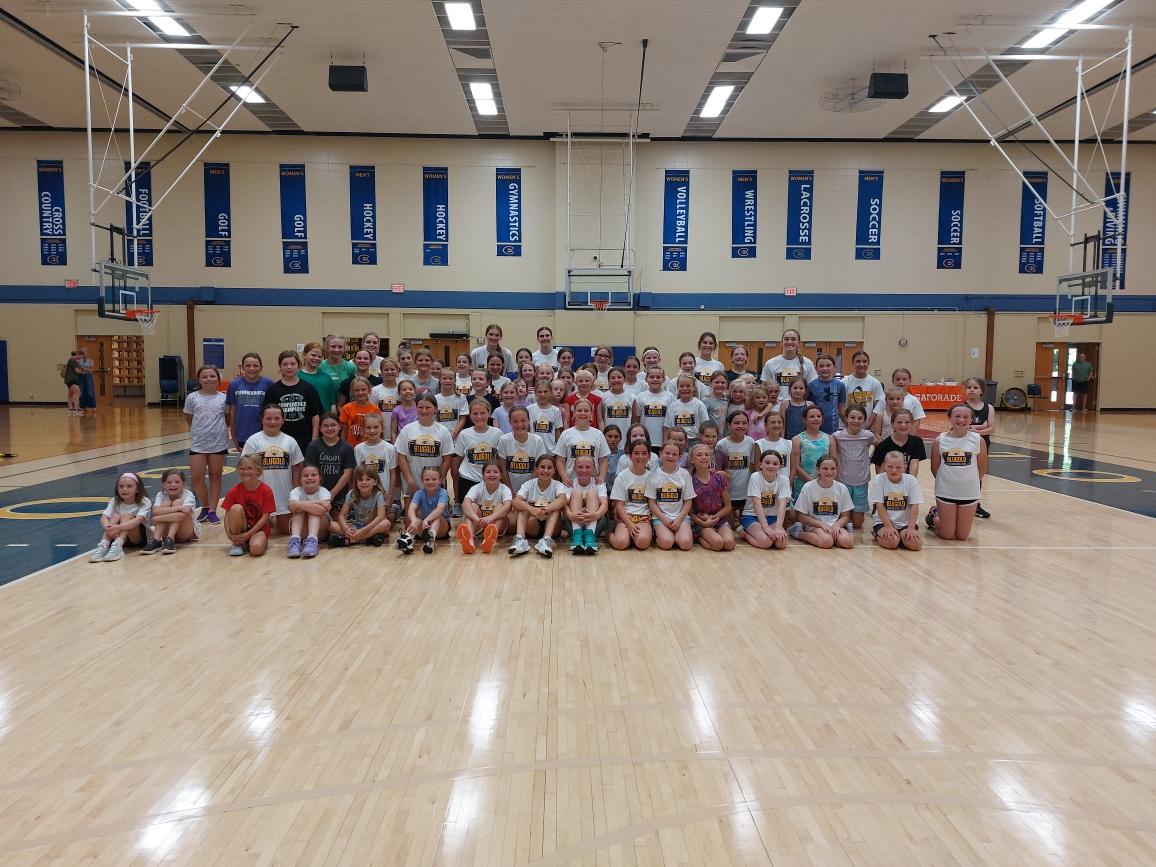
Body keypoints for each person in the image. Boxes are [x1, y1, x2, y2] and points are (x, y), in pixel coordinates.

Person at [241, 404, 304, 535]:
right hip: (259, 497)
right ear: (262, 419)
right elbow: (245, 472)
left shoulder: (290, 441)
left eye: (277, 418)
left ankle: (276, 518)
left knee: (287, 531)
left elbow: (297, 470)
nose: (273, 422)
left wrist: (297, 495)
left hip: (283, 496)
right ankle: (268, 518)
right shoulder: (253, 441)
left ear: (283, 419)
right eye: (268, 418)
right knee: (261, 531)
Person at [928, 403, 987, 541]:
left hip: (969, 492)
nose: (961, 420)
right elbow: (934, 468)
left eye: (965, 417)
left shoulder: (978, 440)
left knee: (962, 536)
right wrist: (948, 481)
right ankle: (934, 516)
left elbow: (982, 469)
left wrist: (967, 482)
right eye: (957, 416)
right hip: (945, 491)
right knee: (947, 535)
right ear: (950, 418)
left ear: (971, 419)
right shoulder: (940, 440)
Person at [184, 365, 229, 524]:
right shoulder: (192, 398)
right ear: (199, 380)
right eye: (205, 376)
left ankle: (212, 510)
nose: (209, 379)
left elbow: (227, 418)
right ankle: (204, 505)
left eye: (212, 376)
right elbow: (189, 419)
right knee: (197, 478)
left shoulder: (224, 398)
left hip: (218, 443)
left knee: (215, 477)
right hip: (198, 443)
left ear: (218, 379)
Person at [395, 394, 454, 503]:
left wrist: (440, 480)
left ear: (435, 409)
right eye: (420, 407)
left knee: (435, 519)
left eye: (428, 407)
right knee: (412, 519)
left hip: (434, 484)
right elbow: (401, 457)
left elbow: (447, 459)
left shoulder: (443, 431)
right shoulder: (407, 430)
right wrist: (410, 480)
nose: (424, 411)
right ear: (416, 408)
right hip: (412, 483)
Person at [262, 350, 323, 455]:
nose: (289, 367)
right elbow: (265, 416)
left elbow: (315, 415)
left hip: (304, 438)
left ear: (299, 365)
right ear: (280, 367)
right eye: (285, 364)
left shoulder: (308, 388)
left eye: (292, 364)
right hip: (280, 438)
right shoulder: (273, 390)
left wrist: (314, 437)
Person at [509, 455, 568, 557]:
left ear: (554, 470)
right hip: (532, 526)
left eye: (549, 468)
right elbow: (516, 502)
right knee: (523, 505)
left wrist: (544, 511)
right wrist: (531, 509)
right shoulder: (528, 484)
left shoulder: (558, 485)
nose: (545, 470)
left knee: (556, 508)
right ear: (536, 469)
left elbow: (562, 500)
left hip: (552, 527)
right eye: (542, 467)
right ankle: (520, 540)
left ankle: (546, 541)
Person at [791, 456, 855, 549]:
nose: (829, 472)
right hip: (815, 525)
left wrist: (837, 525)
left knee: (847, 542)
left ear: (837, 470)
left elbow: (846, 516)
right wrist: (821, 525)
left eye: (833, 468)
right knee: (826, 541)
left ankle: (843, 534)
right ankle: (798, 533)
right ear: (818, 470)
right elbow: (801, 516)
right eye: (825, 468)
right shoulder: (808, 487)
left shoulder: (842, 488)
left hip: (834, 525)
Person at [89, 472, 151, 562]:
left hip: (138, 539)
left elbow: (139, 520)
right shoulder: (115, 501)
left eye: (129, 486)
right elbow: (103, 518)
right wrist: (108, 528)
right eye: (121, 486)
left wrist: (116, 528)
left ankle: (118, 545)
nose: (124, 489)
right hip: (116, 536)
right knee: (114, 516)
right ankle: (104, 545)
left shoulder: (145, 501)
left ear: (137, 489)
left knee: (126, 515)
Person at [869, 451, 924, 551]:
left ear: (904, 467)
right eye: (890, 467)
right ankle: (877, 534)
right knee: (892, 542)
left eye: (898, 467)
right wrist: (888, 526)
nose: (894, 470)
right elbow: (879, 505)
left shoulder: (911, 480)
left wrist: (911, 528)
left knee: (916, 545)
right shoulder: (878, 480)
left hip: (906, 523)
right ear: (884, 466)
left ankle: (901, 536)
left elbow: (914, 506)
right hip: (883, 522)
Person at [455, 399, 504, 511]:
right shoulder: (464, 434)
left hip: (490, 481)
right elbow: (458, 458)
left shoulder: (497, 433)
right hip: (468, 480)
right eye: (475, 413)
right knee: (471, 513)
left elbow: (500, 460)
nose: (479, 416)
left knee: (489, 513)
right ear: (470, 415)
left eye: (482, 413)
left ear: (489, 414)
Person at [646, 439, 695, 551]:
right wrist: (664, 519)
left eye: (674, 454)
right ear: (661, 454)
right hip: (661, 518)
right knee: (667, 543)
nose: (670, 456)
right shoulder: (653, 475)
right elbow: (652, 503)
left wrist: (678, 520)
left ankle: (677, 536)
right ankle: (659, 537)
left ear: (679, 456)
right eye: (667, 453)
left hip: (681, 518)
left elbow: (688, 502)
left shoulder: (685, 474)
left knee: (686, 544)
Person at [832, 406, 876, 529]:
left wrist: (871, 459)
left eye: (860, 418)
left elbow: (879, 445)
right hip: (842, 481)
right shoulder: (837, 436)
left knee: (857, 524)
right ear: (846, 418)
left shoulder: (868, 436)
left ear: (864, 420)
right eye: (852, 417)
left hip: (861, 481)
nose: (856, 421)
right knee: (843, 519)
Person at [221, 455, 273, 557]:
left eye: (249, 468)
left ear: (258, 470)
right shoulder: (234, 491)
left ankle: (251, 542)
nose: (245, 472)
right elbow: (227, 516)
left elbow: (265, 517)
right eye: (242, 468)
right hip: (242, 528)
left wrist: (248, 535)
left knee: (256, 550)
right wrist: (229, 534)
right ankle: (238, 543)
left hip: (259, 529)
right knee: (235, 508)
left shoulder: (266, 490)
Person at [608, 440, 655, 551]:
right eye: (636, 453)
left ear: (649, 456)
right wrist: (630, 524)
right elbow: (619, 505)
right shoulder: (622, 476)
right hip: (625, 516)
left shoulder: (652, 477)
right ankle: (609, 533)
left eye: (644, 453)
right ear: (630, 456)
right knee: (621, 543)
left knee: (642, 543)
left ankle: (633, 536)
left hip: (643, 517)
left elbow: (652, 503)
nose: (640, 456)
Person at [458, 461, 512, 553]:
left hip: (497, 524)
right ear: (483, 475)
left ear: (500, 475)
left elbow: (508, 506)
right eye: (488, 472)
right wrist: (477, 519)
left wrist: (491, 518)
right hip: (480, 524)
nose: (492, 474)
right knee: (472, 506)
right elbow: (465, 504)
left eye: (495, 472)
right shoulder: (477, 488)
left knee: (501, 506)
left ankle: (489, 540)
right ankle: (469, 540)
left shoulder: (504, 489)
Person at [688, 443, 735, 551]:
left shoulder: (719, 478)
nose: (704, 457)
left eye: (707, 454)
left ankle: (712, 535)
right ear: (692, 460)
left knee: (729, 544)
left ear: (711, 458)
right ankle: (698, 536)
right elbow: (689, 511)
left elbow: (728, 507)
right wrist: (703, 522)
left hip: (719, 519)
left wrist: (715, 517)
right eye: (699, 455)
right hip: (701, 522)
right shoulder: (690, 481)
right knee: (718, 544)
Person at [330, 464, 390, 548]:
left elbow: (381, 516)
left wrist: (362, 531)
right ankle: (367, 538)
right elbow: (341, 515)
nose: (364, 482)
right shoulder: (352, 494)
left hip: (373, 526)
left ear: (375, 482)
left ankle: (353, 539)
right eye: (360, 480)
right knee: (331, 525)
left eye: (368, 479)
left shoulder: (378, 494)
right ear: (356, 482)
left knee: (386, 523)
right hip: (358, 526)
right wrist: (346, 529)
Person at [141, 469, 198, 555]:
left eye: (177, 482)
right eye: (169, 482)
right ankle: (156, 540)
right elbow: (155, 511)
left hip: (185, 533)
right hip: (165, 532)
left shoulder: (188, 494)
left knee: (177, 502)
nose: (173, 484)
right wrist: (179, 508)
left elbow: (183, 515)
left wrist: (157, 519)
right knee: (166, 503)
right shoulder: (160, 495)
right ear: (164, 485)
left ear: (183, 484)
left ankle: (170, 539)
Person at [553, 399, 609, 487]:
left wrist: (602, 476)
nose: (583, 413)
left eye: (586, 411)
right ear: (574, 413)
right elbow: (560, 460)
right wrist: (564, 477)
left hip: (593, 482)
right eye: (579, 410)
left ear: (591, 414)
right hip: (571, 482)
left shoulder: (598, 434)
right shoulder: (566, 434)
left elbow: (603, 460)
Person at [306, 412, 356, 509]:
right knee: (320, 520)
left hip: (340, 494)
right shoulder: (313, 446)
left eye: (333, 425)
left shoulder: (347, 447)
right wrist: (322, 494)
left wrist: (332, 494)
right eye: (326, 426)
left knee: (337, 523)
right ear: (320, 428)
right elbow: (310, 472)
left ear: (340, 426)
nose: (329, 428)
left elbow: (348, 474)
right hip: (317, 493)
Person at [716, 409, 757, 527]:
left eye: (744, 423)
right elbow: (720, 470)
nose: (741, 426)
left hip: (745, 491)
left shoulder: (751, 442)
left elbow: (752, 465)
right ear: (729, 425)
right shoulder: (722, 444)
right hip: (728, 493)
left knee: (745, 525)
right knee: (731, 527)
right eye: (737, 423)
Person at [742, 451, 791, 550]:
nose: (771, 466)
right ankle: (743, 533)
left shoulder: (784, 480)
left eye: (775, 464)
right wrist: (765, 527)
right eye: (767, 462)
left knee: (782, 543)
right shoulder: (755, 477)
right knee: (766, 542)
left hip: (772, 518)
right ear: (760, 464)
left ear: (780, 467)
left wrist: (778, 527)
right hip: (752, 516)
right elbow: (756, 503)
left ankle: (769, 531)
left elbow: (782, 505)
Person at [397, 466, 451, 554]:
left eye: (434, 479)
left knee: (437, 517)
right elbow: (411, 508)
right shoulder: (419, 493)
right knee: (417, 520)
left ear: (440, 480)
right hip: (424, 526)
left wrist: (427, 519)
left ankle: (430, 538)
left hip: (441, 528)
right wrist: (414, 520)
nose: (430, 482)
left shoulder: (443, 492)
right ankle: (407, 540)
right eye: (427, 479)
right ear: (422, 480)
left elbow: (439, 509)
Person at [964, 376, 996, 519]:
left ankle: (976, 505)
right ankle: (962, 502)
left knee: (979, 473)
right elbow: (962, 425)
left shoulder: (988, 407)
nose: (971, 390)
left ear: (982, 391)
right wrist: (982, 425)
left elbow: (991, 427)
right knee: (965, 472)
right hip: (965, 443)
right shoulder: (962, 407)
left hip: (982, 443)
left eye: (975, 387)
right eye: (969, 387)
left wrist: (978, 431)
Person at [226, 352, 273, 448]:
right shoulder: (234, 385)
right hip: (242, 434)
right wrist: (234, 436)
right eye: (248, 366)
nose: (252, 369)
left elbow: (272, 411)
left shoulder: (268, 384)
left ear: (261, 367)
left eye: (255, 366)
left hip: (263, 434)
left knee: (262, 462)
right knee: (246, 462)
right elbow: (232, 412)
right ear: (242, 368)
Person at [353, 413, 397, 511]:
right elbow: (356, 474)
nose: (372, 430)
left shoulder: (389, 448)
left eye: (376, 427)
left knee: (384, 522)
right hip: (364, 494)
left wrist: (390, 496)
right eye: (368, 427)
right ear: (363, 429)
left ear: (382, 428)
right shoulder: (358, 449)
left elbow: (393, 474)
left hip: (383, 493)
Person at [565, 455, 608, 554]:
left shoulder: (599, 483)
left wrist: (595, 515)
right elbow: (563, 505)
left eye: (588, 467)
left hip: (595, 522)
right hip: (573, 522)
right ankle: (577, 536)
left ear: (593, 469)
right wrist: (571, 515)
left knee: (592, 492)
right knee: (576, 492)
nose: (584, 470)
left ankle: (590, 536)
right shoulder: (570, 483)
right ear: (574, 469)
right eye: (580, 467)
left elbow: (605, 505)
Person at [499, 406, 546, 495]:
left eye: (523, 420)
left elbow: (537, 469)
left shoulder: (537, 441)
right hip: (509, 489)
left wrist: (527, 491)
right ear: (510, 422)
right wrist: (510, 492)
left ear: (529, 420)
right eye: (515, 421)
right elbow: (503, 469)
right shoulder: (503, 440)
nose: (520, 425)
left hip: (531, 489)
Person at [286, 464, 331, 558]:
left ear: (320, 478)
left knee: (312, 511)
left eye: (313, 475)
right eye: (305, 476)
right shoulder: (296, 491)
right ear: (300, 479)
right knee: (301, 510)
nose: (310, 478)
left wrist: (299, 505)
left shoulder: (324, 491)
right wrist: (318, 502)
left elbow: (321, 511)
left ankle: (312, 541)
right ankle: (295, 541)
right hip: (302, 531)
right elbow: (291, 507)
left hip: (321, 530)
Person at [760, 329, 817, 402]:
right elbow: (764, 388)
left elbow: (812, 388)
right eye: (786, 339)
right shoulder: (771, 363)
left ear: (799, 343)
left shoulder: (808, 363)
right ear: (781, 343)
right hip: (776, 407)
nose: (790, 342)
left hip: (799, 407)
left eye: (793, 339)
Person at [791, 405, 834, 500]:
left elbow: (834, 462)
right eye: (811, 416)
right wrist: (813, 483)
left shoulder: (829, 438)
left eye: (819, 416)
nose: (816, 419)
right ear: (804, 419)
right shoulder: (797, 439)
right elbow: (796, 466)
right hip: (803, 485)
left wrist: (824, 483)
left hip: (825, 484)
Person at [870, 408, 925, 477]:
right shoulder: (882, 446)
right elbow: (879, 473)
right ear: (892, 424)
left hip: (907, 483)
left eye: (907, 422)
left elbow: (914, 465)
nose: (903, 425)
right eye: (899, 422)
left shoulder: (917, 442)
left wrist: (910, 483)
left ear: (912, 424)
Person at [842, 351, 885, 433]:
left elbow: (878, 408)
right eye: (858, 361)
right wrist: (848, 424)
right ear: (853, 363)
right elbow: (841, 407)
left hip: (867, 427)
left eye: (864, 361)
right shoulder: (844, 382)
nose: (861, 364)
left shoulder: (875, 382)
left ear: (868, 363)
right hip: (847, 427)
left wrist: (868, 425)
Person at [633, 366, 674, 451]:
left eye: (658, 377)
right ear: (646, 379)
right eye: (651, 377)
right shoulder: (640, 397)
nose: (655, 379)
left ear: (663, 379)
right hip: (644, 442)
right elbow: (636, 421)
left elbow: (672, 422)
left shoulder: (670, 397)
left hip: (663, 442)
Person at [664, 374, 709, 446]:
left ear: (694, 387)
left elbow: (705, 426)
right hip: (675, 441)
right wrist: (666, 443)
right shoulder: (673, 406)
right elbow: (667, 427)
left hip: (694, 441)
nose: (685, 389)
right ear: (677, 388)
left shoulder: (699, 405)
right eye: (681, 386)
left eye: (688, 386)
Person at [807, 355, 847, 435]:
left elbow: (840, 408)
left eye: (828, 365)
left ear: (834, 366)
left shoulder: (840, 385)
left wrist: (847, 423)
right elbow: (808, 407)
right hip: (815, 424)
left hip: (833, 425)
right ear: (816, 368)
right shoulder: (811, 386)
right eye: (821, 366)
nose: (825, 369)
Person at [338, 377, 377, 446]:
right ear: (352, 392)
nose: (360, 392)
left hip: (370, 448)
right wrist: (342, 448)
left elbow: (379, 431)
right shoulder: (346, 408)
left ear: (369, 390)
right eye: (356, 390)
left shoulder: (375, 409)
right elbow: (343, 432)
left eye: (363, 389)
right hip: (351, 448)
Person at [527, 378, 564, 451]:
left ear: (550, 392)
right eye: (539, 392)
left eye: (545, 391)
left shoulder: (555, 411)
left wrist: (558, 449)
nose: (542, 394)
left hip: (550, 450)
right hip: (534, 449)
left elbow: (557, 431)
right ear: (535, 393)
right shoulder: (529, 409)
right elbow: (527, 429)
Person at [298, 342, 336, 412]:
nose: (316, 358)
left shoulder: (326, 378)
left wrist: (334, 421)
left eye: (320, 356)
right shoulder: (297, 377)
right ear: (304, 355)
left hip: (324, 419)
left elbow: (332, 404)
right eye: (313, 355)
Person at [320, 335, 356, 404]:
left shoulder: (350, 367)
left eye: (340, 347)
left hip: (344, 406)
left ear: (344, 349)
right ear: (327, 348)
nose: (337, 350)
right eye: (333, 346)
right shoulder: (320, 366)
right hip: (325, 404)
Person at [76, 347, 96, 414]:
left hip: (88, 377)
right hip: (81, 377)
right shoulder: (79, 361)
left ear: (88, 353)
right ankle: (83, 407)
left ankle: (92, 406)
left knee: (90, 392)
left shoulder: (91, 361)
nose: (84, 354)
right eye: (83, 352)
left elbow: (92, 370)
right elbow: (78, 369)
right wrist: (85, 369)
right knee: (81, 392)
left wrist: (84, 368)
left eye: (85, 352)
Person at [63, 350, 82, 416]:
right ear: (77, 355)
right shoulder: (72, 360)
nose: (80, 357)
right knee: (78, 392)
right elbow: (77, 371)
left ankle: (70, 409)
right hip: (72, 379)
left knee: (70, 394)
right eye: (80, 356)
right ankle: (76, 410)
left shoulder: (71, 360)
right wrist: (81, 369)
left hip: (68, 380)